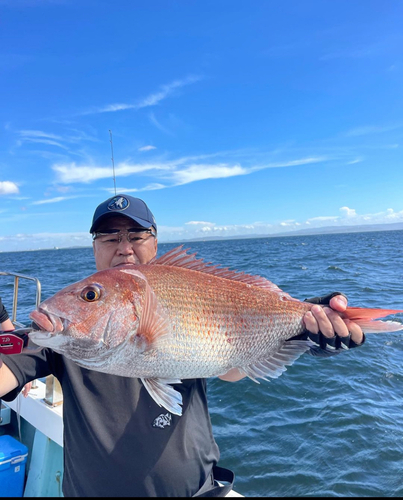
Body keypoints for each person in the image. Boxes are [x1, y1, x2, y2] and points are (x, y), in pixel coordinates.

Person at [0, 194, 364, 497]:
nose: (124, 248)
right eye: (110, 237)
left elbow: (234, 370)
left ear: (155, 244)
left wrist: (308, 330)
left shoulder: (182, 288)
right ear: (94, 247)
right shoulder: (57, 336)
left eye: (137, 236)